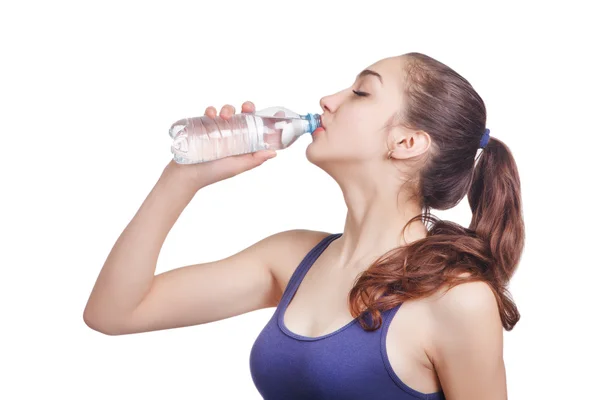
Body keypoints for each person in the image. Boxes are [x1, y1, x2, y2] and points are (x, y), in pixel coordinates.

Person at [84, 52, 524, 399]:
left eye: (361, 92)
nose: (328, 100)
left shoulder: (457, 300)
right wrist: (181, 178)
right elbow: (114, 312)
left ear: (407, 142)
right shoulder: (290, 258)